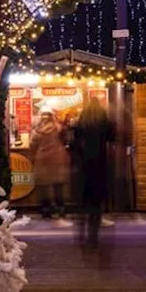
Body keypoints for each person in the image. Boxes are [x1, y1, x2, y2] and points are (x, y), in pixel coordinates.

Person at [71, 99, 115, 247]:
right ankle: (93, 237)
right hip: (100, 166)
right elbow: (113, 137)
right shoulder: (104, 122)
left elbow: (73, 144)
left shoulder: (81, 123)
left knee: (83, 204)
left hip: (83, 166)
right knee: (96, 205)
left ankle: (80, 234)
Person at [29, 110, 70, 220]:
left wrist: (34, 156)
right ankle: (61, 209)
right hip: (58, 158)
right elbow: (67, 141)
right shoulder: (59, 128)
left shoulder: (37, 131)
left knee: (43, 187)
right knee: (58, 186)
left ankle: (46, 210)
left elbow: (32, 145)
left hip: (42, 160)